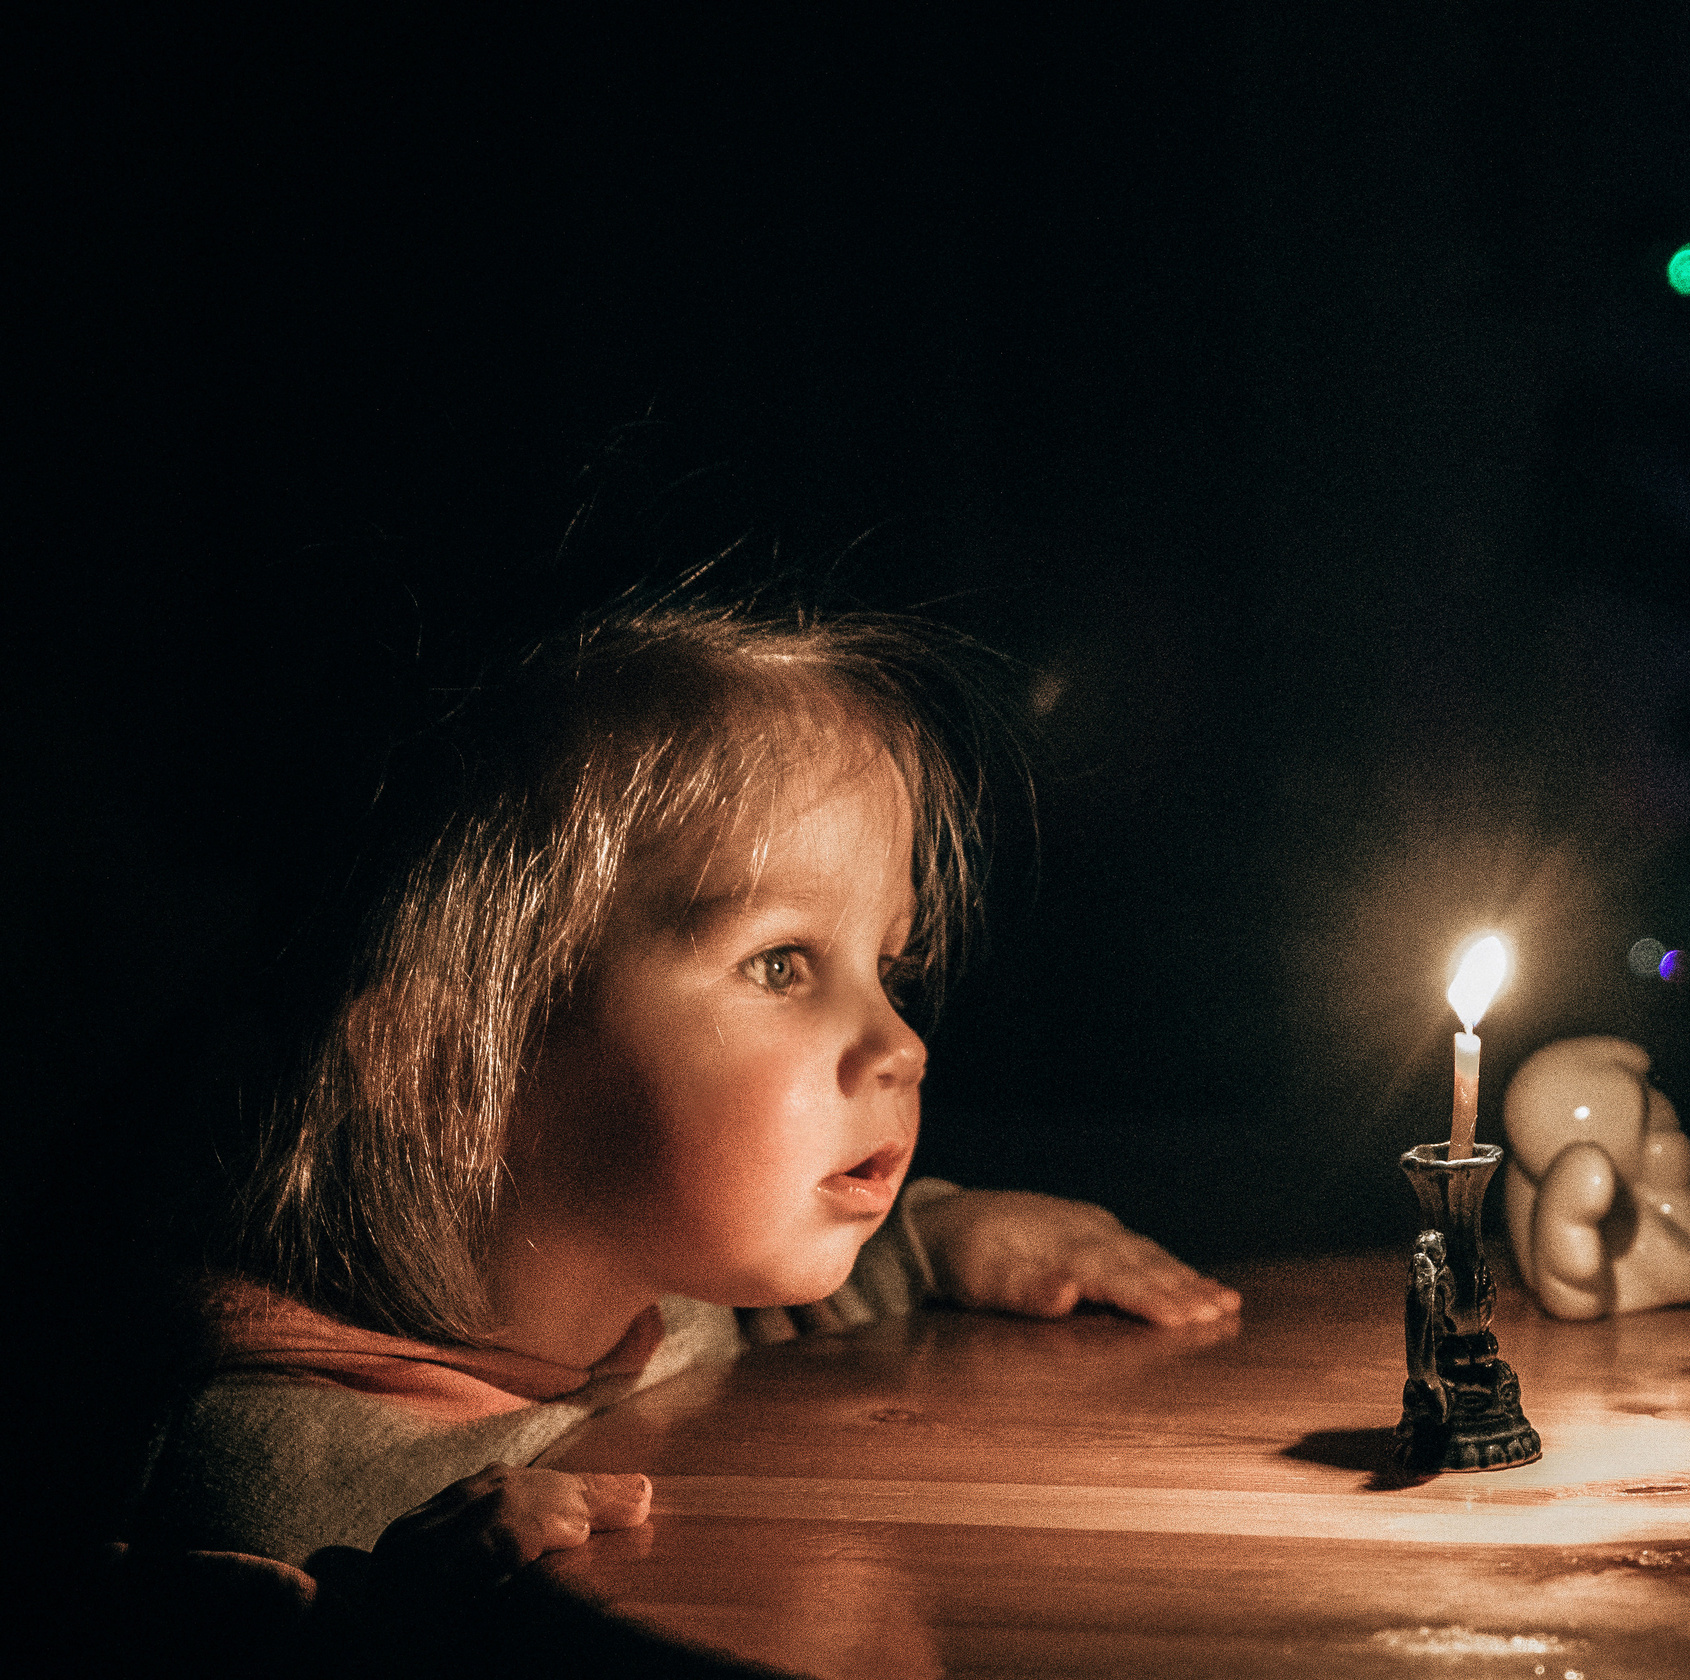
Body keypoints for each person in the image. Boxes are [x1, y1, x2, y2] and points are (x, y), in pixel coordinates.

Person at [124, 600, 1239, 1607]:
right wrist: (401, 1633)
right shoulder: (252, 1471)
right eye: (781, 964)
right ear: (451, 1073)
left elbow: (782, 1313)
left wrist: (936, 1234)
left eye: (889, 968)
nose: (902, 1042)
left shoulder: (673, 1302)